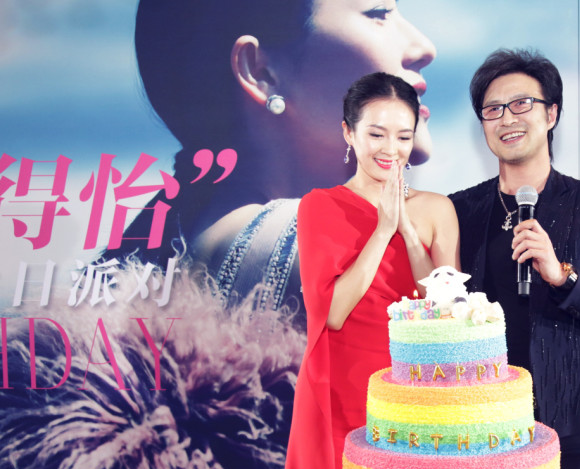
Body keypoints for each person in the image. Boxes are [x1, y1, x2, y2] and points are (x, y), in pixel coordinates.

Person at [105, 0, 436, 319]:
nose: (423, 47)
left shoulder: (180, 246)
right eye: (379, 13)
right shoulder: (328, 250)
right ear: (261, 72)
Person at [273, 72, 459, 469]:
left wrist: (411, 237)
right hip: (341, 387)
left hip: (415, 386)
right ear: (348, 133)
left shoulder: (439, 208)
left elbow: (445, 310)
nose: (390, 149)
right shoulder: (319, 206)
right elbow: (331, 313)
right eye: (376, 133)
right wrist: (381, 232)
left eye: (403, 135)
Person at [449, 48, 580, 469]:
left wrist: (561, 274)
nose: (506, 118)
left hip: (575, 418)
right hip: (488, 419)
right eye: (492, 109)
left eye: (521, 104)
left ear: (551, 113)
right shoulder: (461, 210)